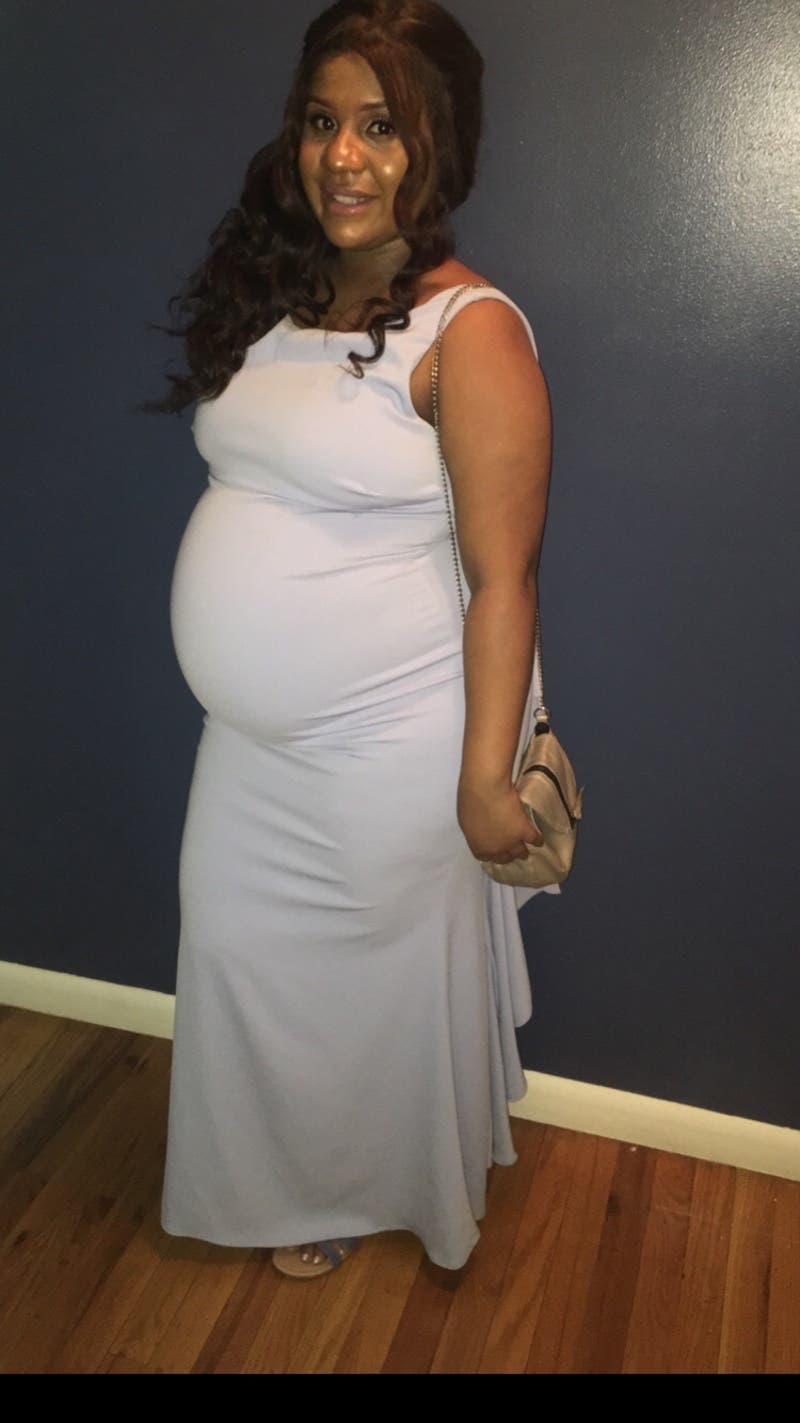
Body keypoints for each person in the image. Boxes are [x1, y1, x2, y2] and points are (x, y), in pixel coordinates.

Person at [144, 0, 559, 1278]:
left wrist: (483, 779)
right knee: (238, 954)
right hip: (250, 745)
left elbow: (503, 578)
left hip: (390, 738)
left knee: (373, 993)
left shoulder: (470, 331)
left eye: (381, 127)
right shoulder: (279, 295)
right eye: (322, 122)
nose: (341, 156)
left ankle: (375, 1188)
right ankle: (283, 1179)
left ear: (440, 142)